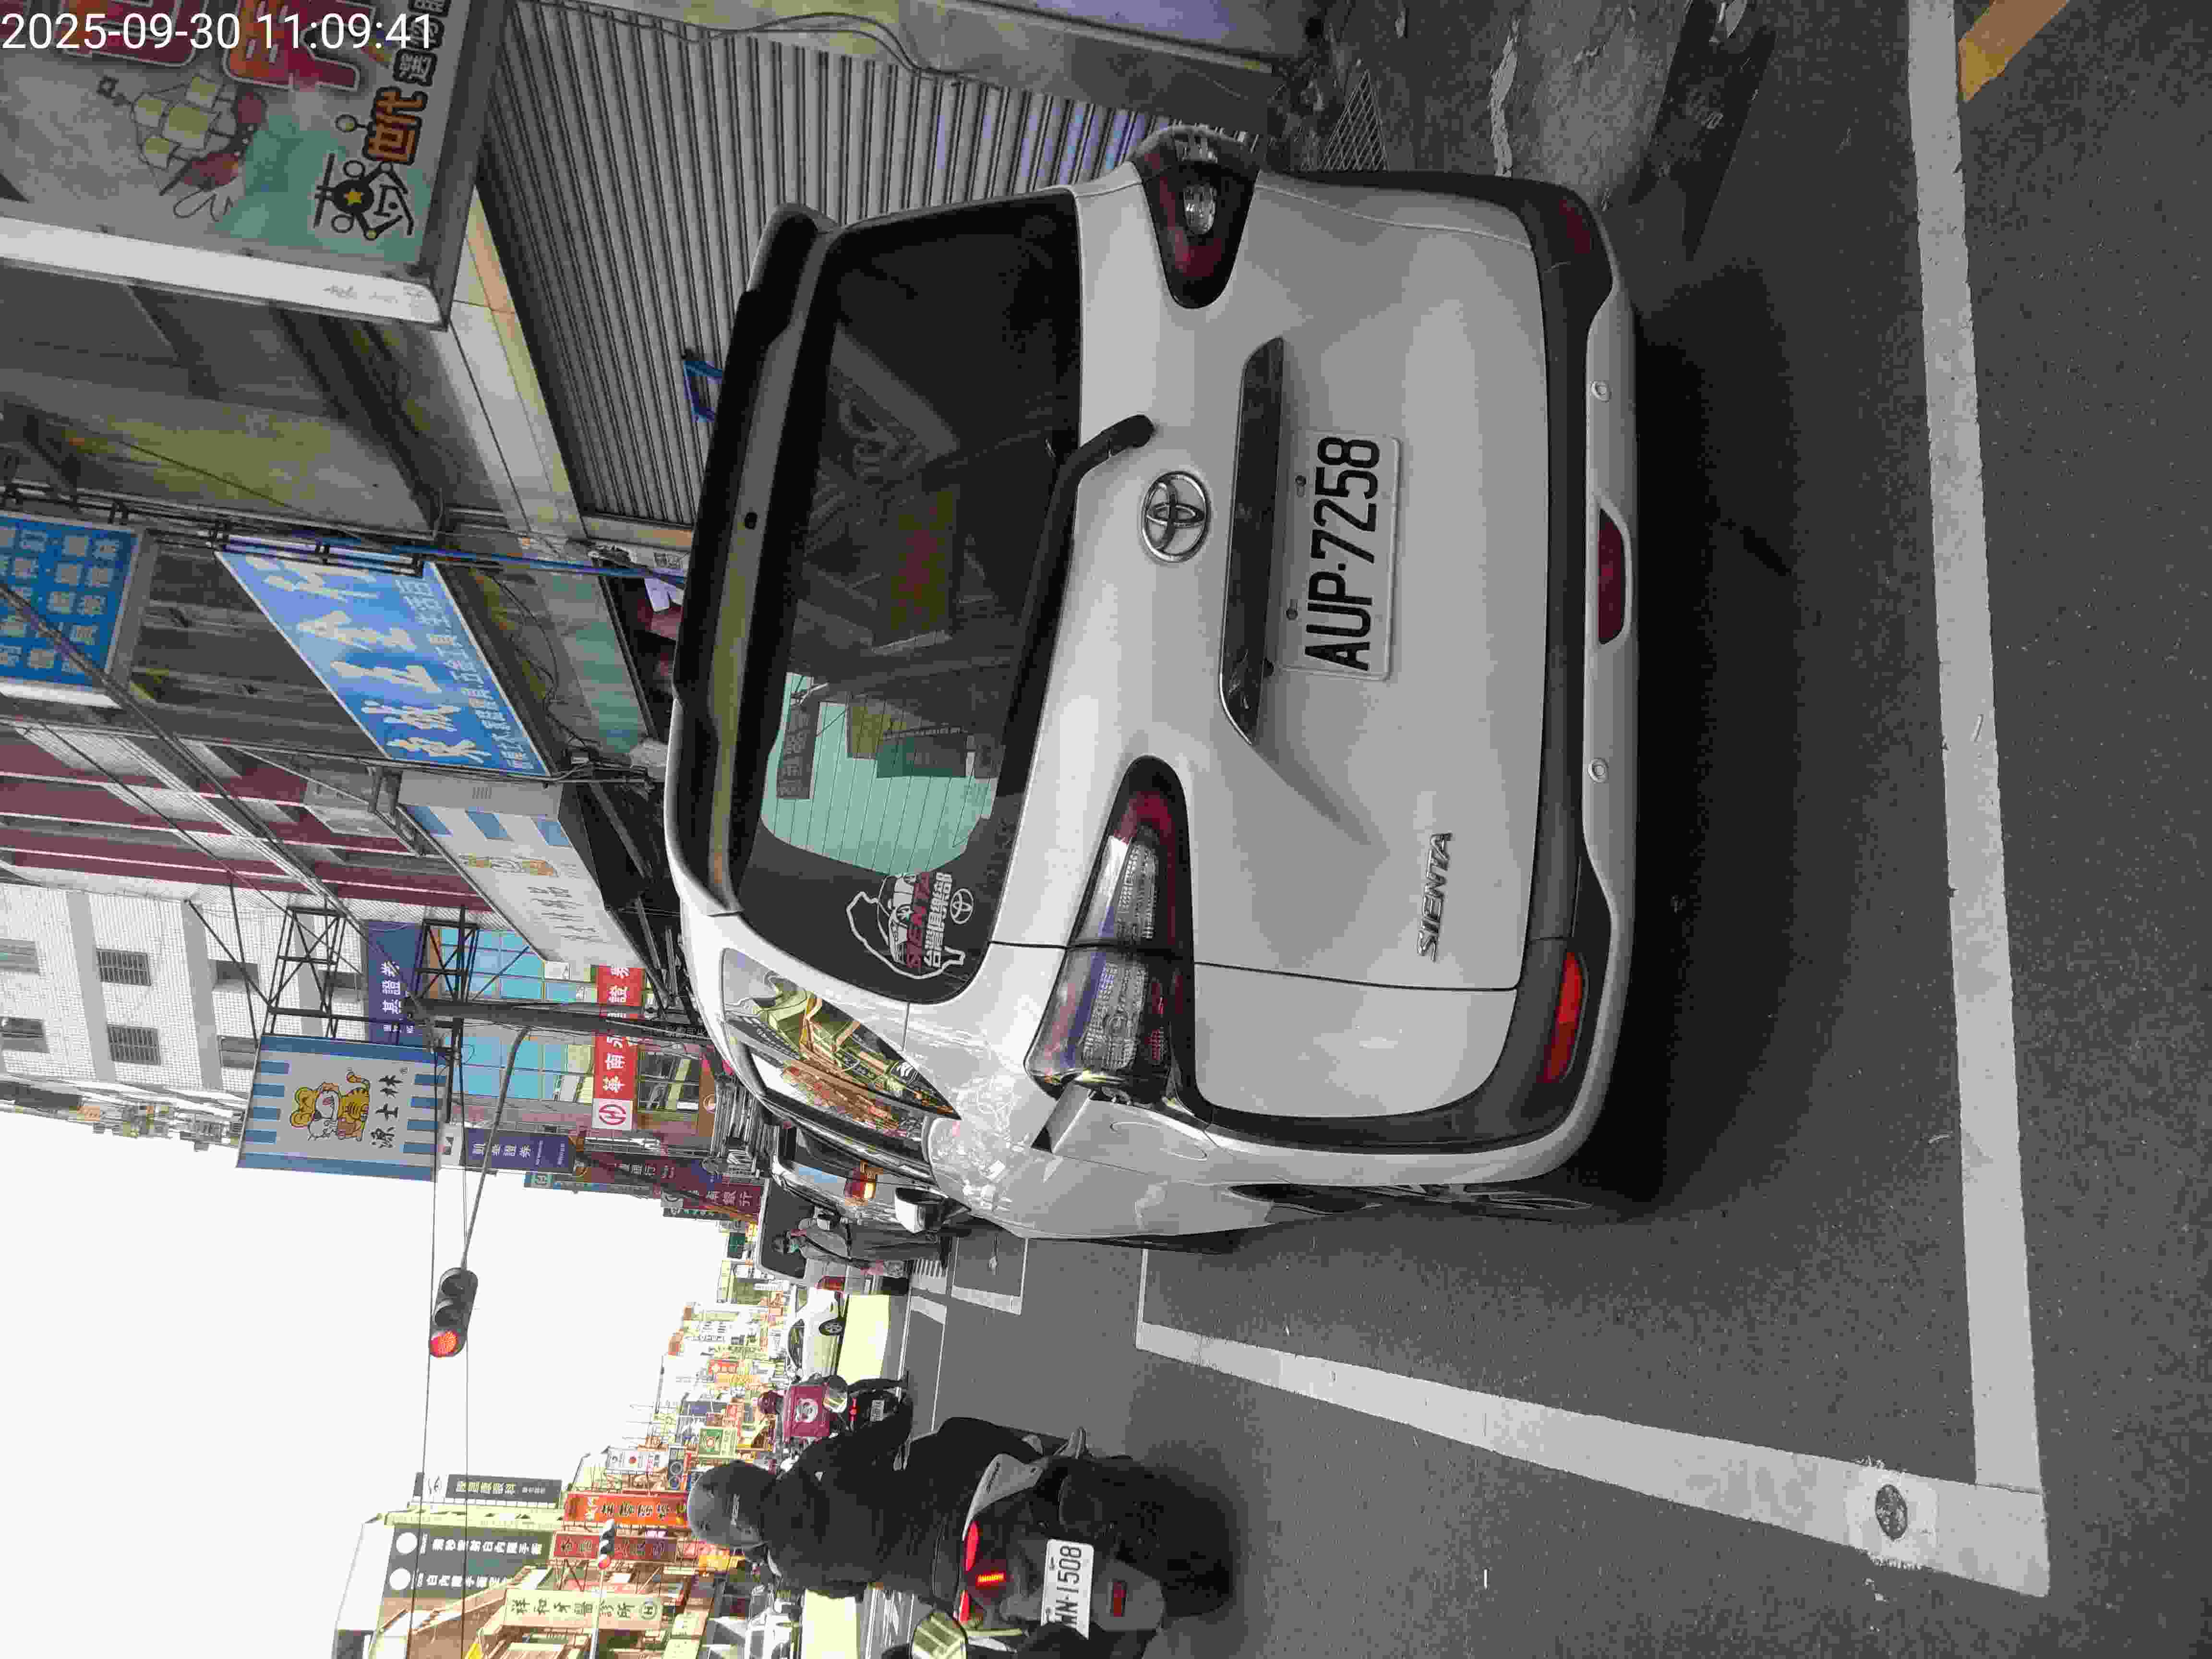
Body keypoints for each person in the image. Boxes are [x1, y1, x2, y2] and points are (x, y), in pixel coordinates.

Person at [688, 1393, 1038, 1600]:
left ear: (735, 1538)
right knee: (958, 1431)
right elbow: (888, 1435)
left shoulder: (792, 1569)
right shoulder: (813, 1463)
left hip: (940, 1580)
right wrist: (902, 1409)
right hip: (953, 1507)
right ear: (747, 1475)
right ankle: (1041, 1463)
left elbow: (850, 1588)